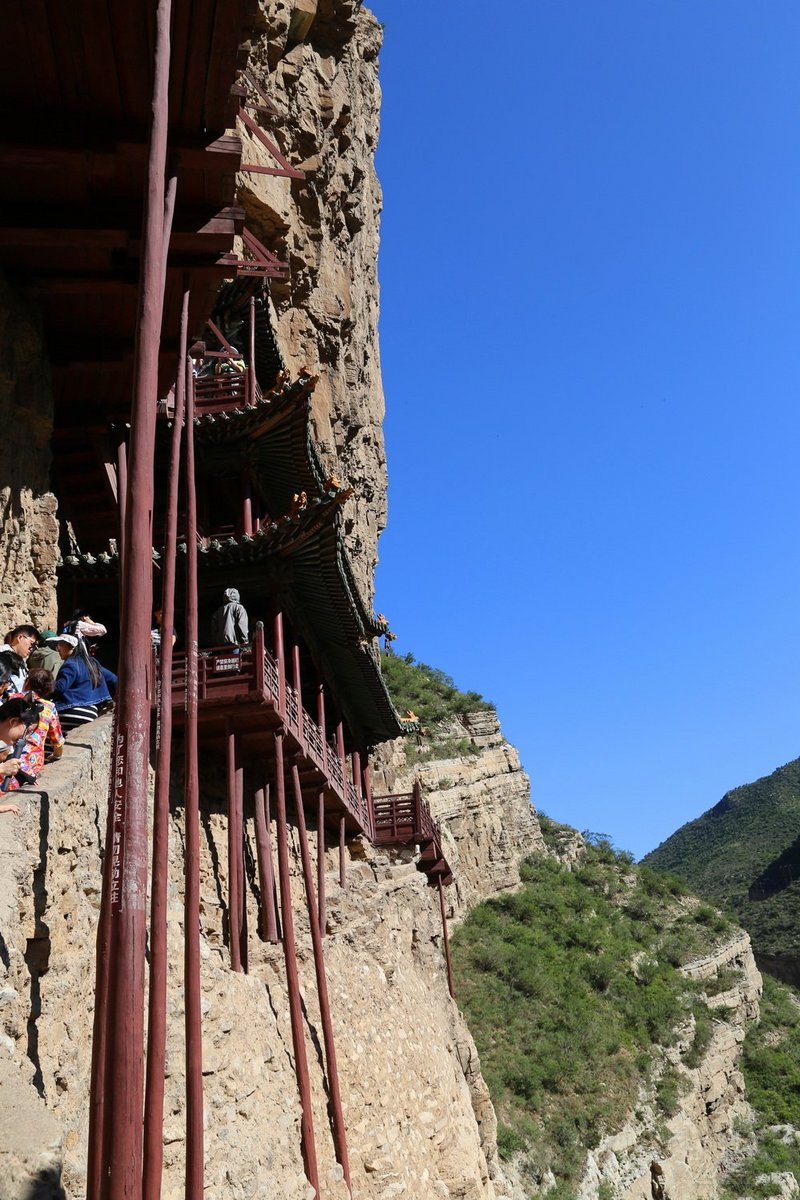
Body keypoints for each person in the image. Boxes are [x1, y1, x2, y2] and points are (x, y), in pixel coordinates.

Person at [6, 669, 64, 790]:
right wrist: (56, 755)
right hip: (32, 767)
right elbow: (57, 741)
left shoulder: (12, 698)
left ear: (27, 682)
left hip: (8, 762)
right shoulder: (49, 707)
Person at [52, 635, 116, 732]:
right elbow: (114, 679)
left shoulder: (70, 664)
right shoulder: (93, 663)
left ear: (71, 646)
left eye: (60, 645)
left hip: (70, 712)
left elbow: (60, 687)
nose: (58, 649)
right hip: (91, 713)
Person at [1, 625, 39, 692]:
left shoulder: (20, 660)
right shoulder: (2, 655)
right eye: (32, 643)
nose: (32, 648)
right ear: (20, 637)